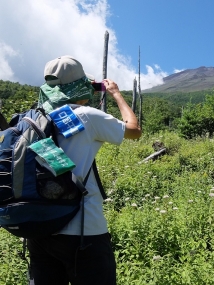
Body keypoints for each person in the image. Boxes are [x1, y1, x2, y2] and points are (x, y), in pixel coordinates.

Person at [27, 55, 141, 285]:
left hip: (39, 230)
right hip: (84, 232)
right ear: (81, 86)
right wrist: (116, 94)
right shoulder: (86, 116)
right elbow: (134, 130)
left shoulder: (33, 118)